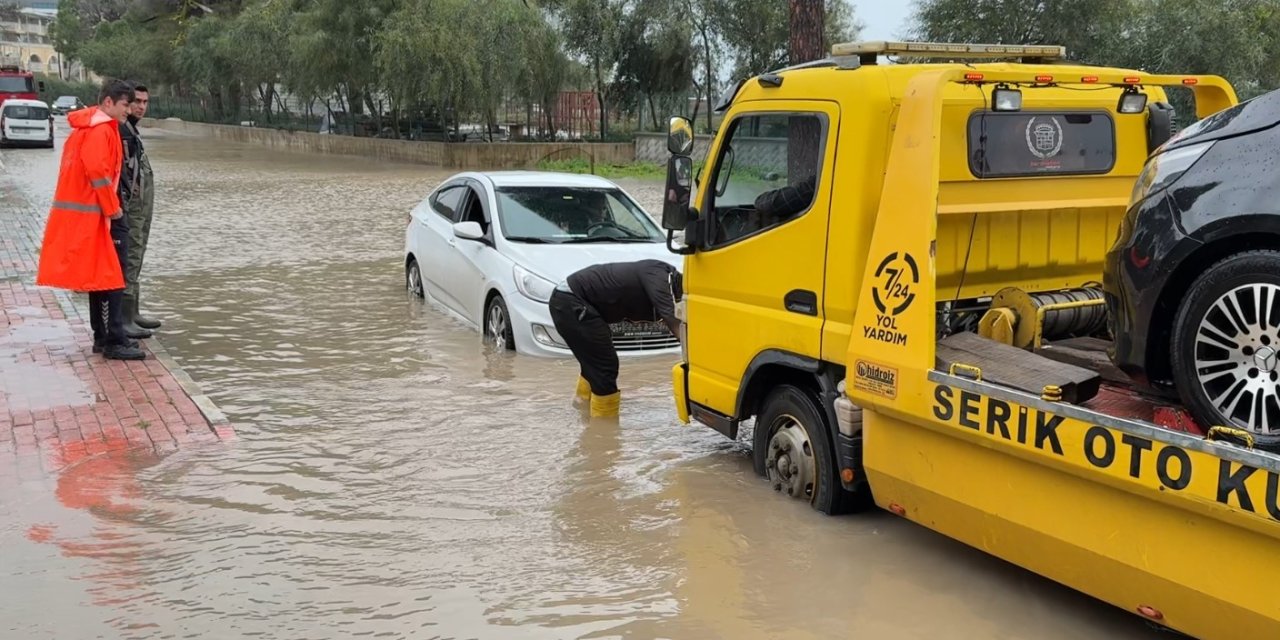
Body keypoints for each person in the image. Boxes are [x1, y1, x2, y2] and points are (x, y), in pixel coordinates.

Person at [35, 79, 145, 361]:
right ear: (108, 102)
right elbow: (98, 171)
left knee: (101, 276)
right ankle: (113, 339)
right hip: (102, 213)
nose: (129, 110)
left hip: (91, 214)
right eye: (125, 104)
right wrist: (112, 209)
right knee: (112, 277)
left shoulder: (87, 128)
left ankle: (103, 336)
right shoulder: (101, 131)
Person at [549, 259, 683, 418]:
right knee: (605, 366)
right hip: (571, 302)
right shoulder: (660, 277)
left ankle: (582, 404)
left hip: (571, 301)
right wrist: (692, 351)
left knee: (594, 361)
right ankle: (604, 427)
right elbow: (671, 318)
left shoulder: (660, 272)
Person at [118, 82, 162, 338]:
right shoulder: (120, 131)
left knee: (138, 252)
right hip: (130, 209)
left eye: (145, 102)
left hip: (141, 209)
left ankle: (132, 312)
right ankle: (124, 318)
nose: (141, 107)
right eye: (137, 102)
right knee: (130, 255)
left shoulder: (131, 131)